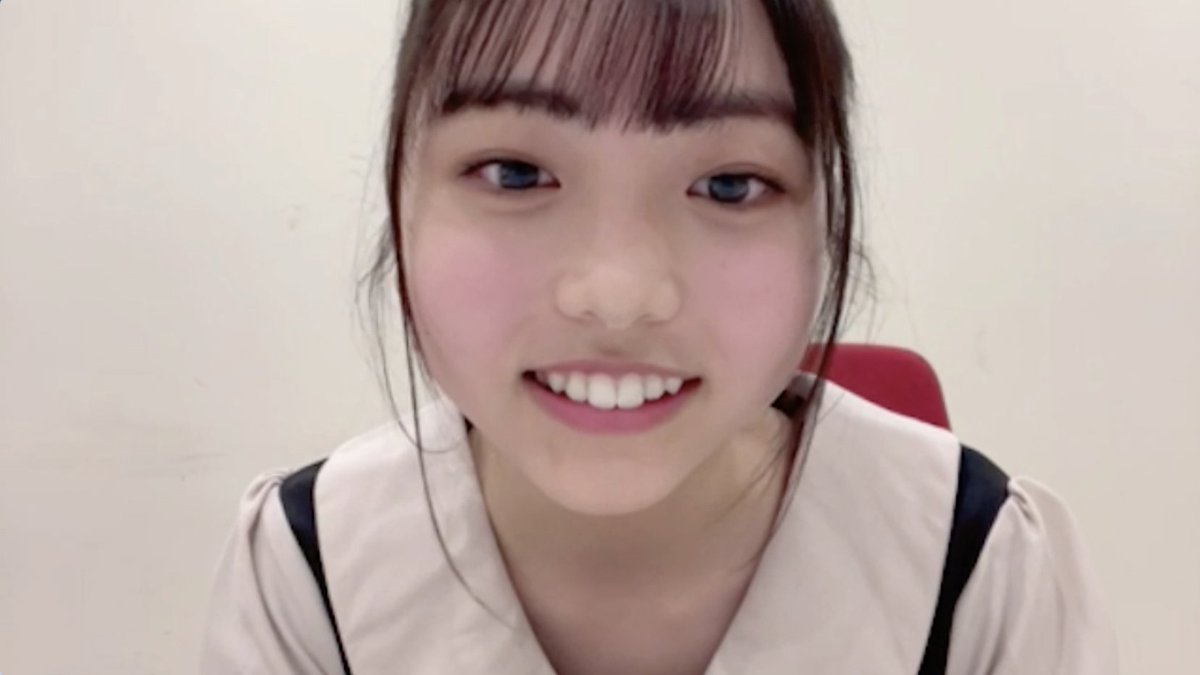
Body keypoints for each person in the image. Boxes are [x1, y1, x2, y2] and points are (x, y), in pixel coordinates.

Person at [200, 1, 1117, 673]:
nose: (618, 294)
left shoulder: (983, 567)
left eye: (728, 185)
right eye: (515, 172)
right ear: (400, 193)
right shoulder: (308, 570)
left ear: (826, 220)